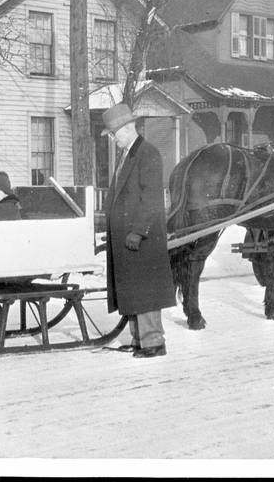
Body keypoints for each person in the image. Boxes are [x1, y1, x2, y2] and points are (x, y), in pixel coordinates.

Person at [101, 102, 175, 359]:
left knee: (146, 291)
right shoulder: (129, 154)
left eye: (114, 134)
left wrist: (138, 231)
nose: (113, 139)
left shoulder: (148, 153)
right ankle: (139, 340)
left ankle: (153, 342)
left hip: (141, 237)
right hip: (127, 235)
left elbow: (151, 198)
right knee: (133, 289)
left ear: (126, 128)